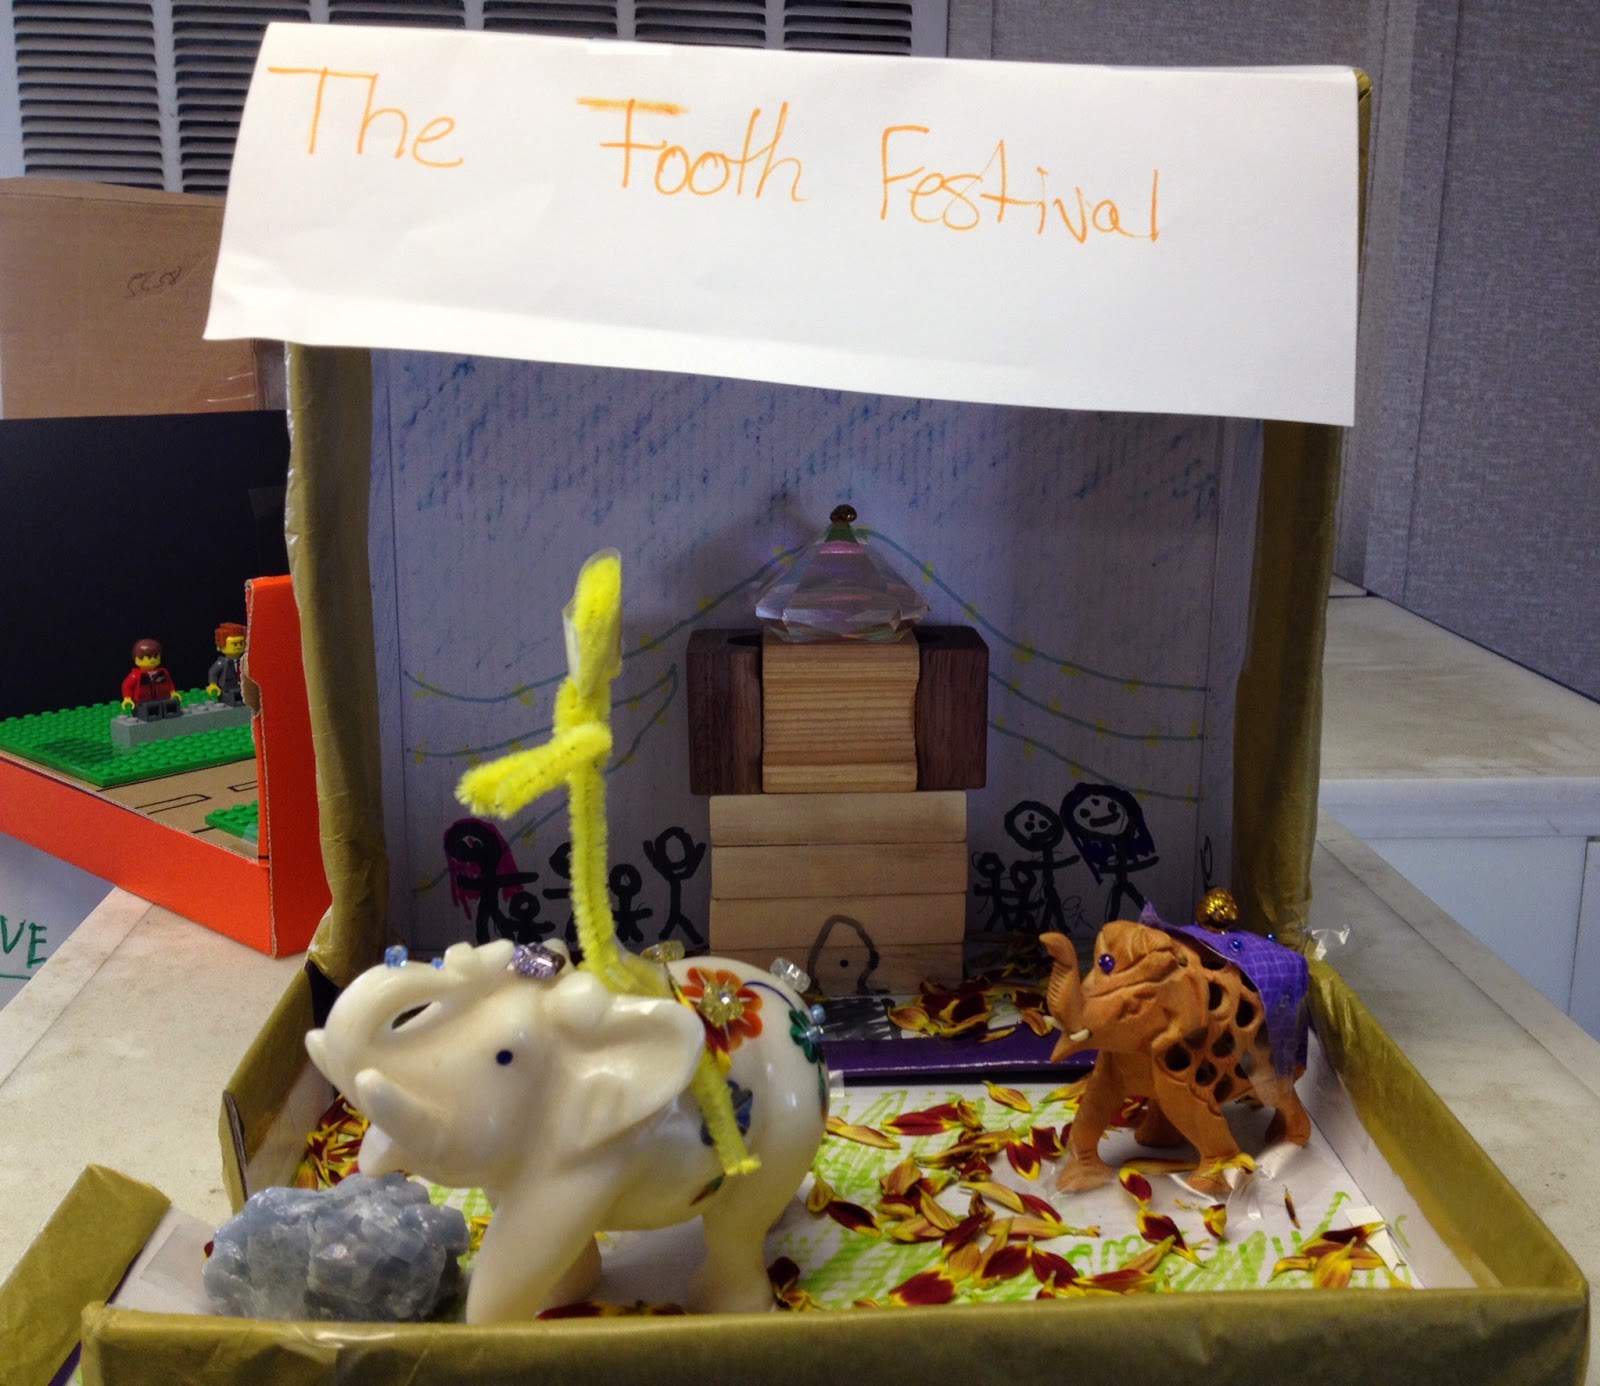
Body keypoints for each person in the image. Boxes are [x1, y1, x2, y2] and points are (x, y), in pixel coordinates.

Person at [120, 638, 181, 721]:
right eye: (148, 657)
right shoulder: (135, 676)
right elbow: (126, 686)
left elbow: (169, 683)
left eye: (155, 656)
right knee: (144, 718)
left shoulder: (163, 672)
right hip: (142, 704)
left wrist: (172, 692)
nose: (152, 660)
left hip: (162, 701)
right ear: (136, 658)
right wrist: (127, 698)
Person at [207, 622, 247, 705]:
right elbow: (213, 672)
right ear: (221, 646)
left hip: (243, 690)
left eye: (241, 643)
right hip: (227, 691)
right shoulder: (222, 663)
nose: (238, 647)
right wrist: (213, 684)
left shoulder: (243, 661)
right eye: (234, 644)